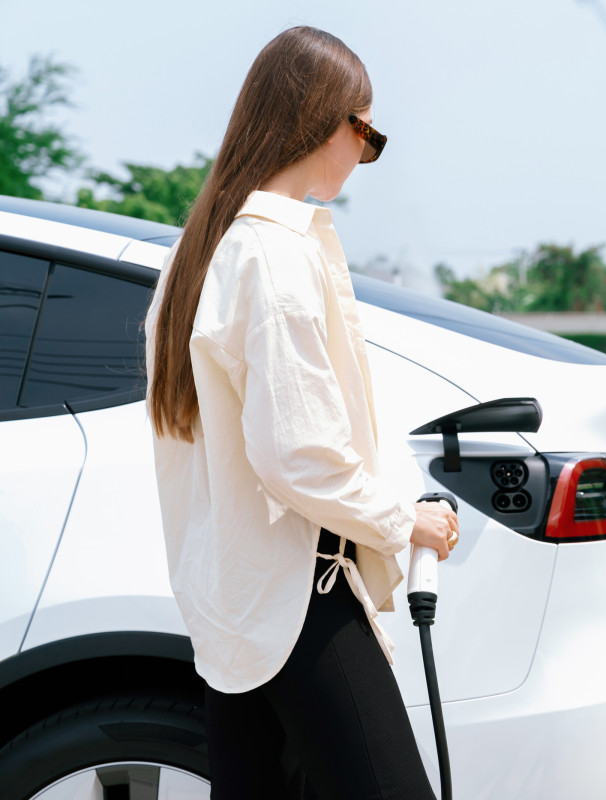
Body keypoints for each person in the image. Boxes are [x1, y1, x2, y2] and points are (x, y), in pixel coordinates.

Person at [144, 26, 456, 799]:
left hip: (236, 603)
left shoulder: (198, 256)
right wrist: (404, 520)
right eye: (369, 133)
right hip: (301, 600)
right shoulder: (273, 257)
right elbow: (298, 454)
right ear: (328, 121)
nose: (366, 154)